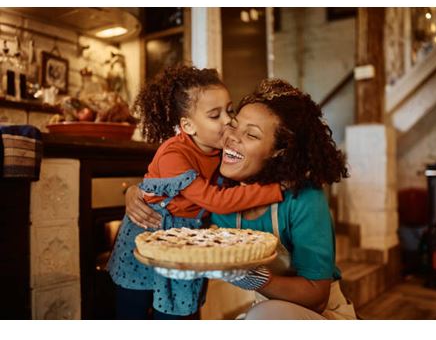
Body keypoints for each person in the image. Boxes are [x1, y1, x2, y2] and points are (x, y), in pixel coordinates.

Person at [126, 78, 356, 320]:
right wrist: (135, 193)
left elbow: (316, 297)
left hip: (321, 316)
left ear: (279, 151)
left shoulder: (303, 198)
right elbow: (170, 190)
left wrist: (252, 278)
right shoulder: (218, 187)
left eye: (252, 135)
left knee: (262, 315)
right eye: (234, 125)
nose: (232, 137)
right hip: (264, 313)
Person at [107, 66, 283, 320]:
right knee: (132, 313)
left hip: (184, 244)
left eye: (229, 111)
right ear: (188, 125)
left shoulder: (221, 151)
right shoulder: (173, 155)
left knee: (179, 317)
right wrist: (274, 190)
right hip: (146, 241)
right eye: (215, 115)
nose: (227, 121)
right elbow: (215, 201)